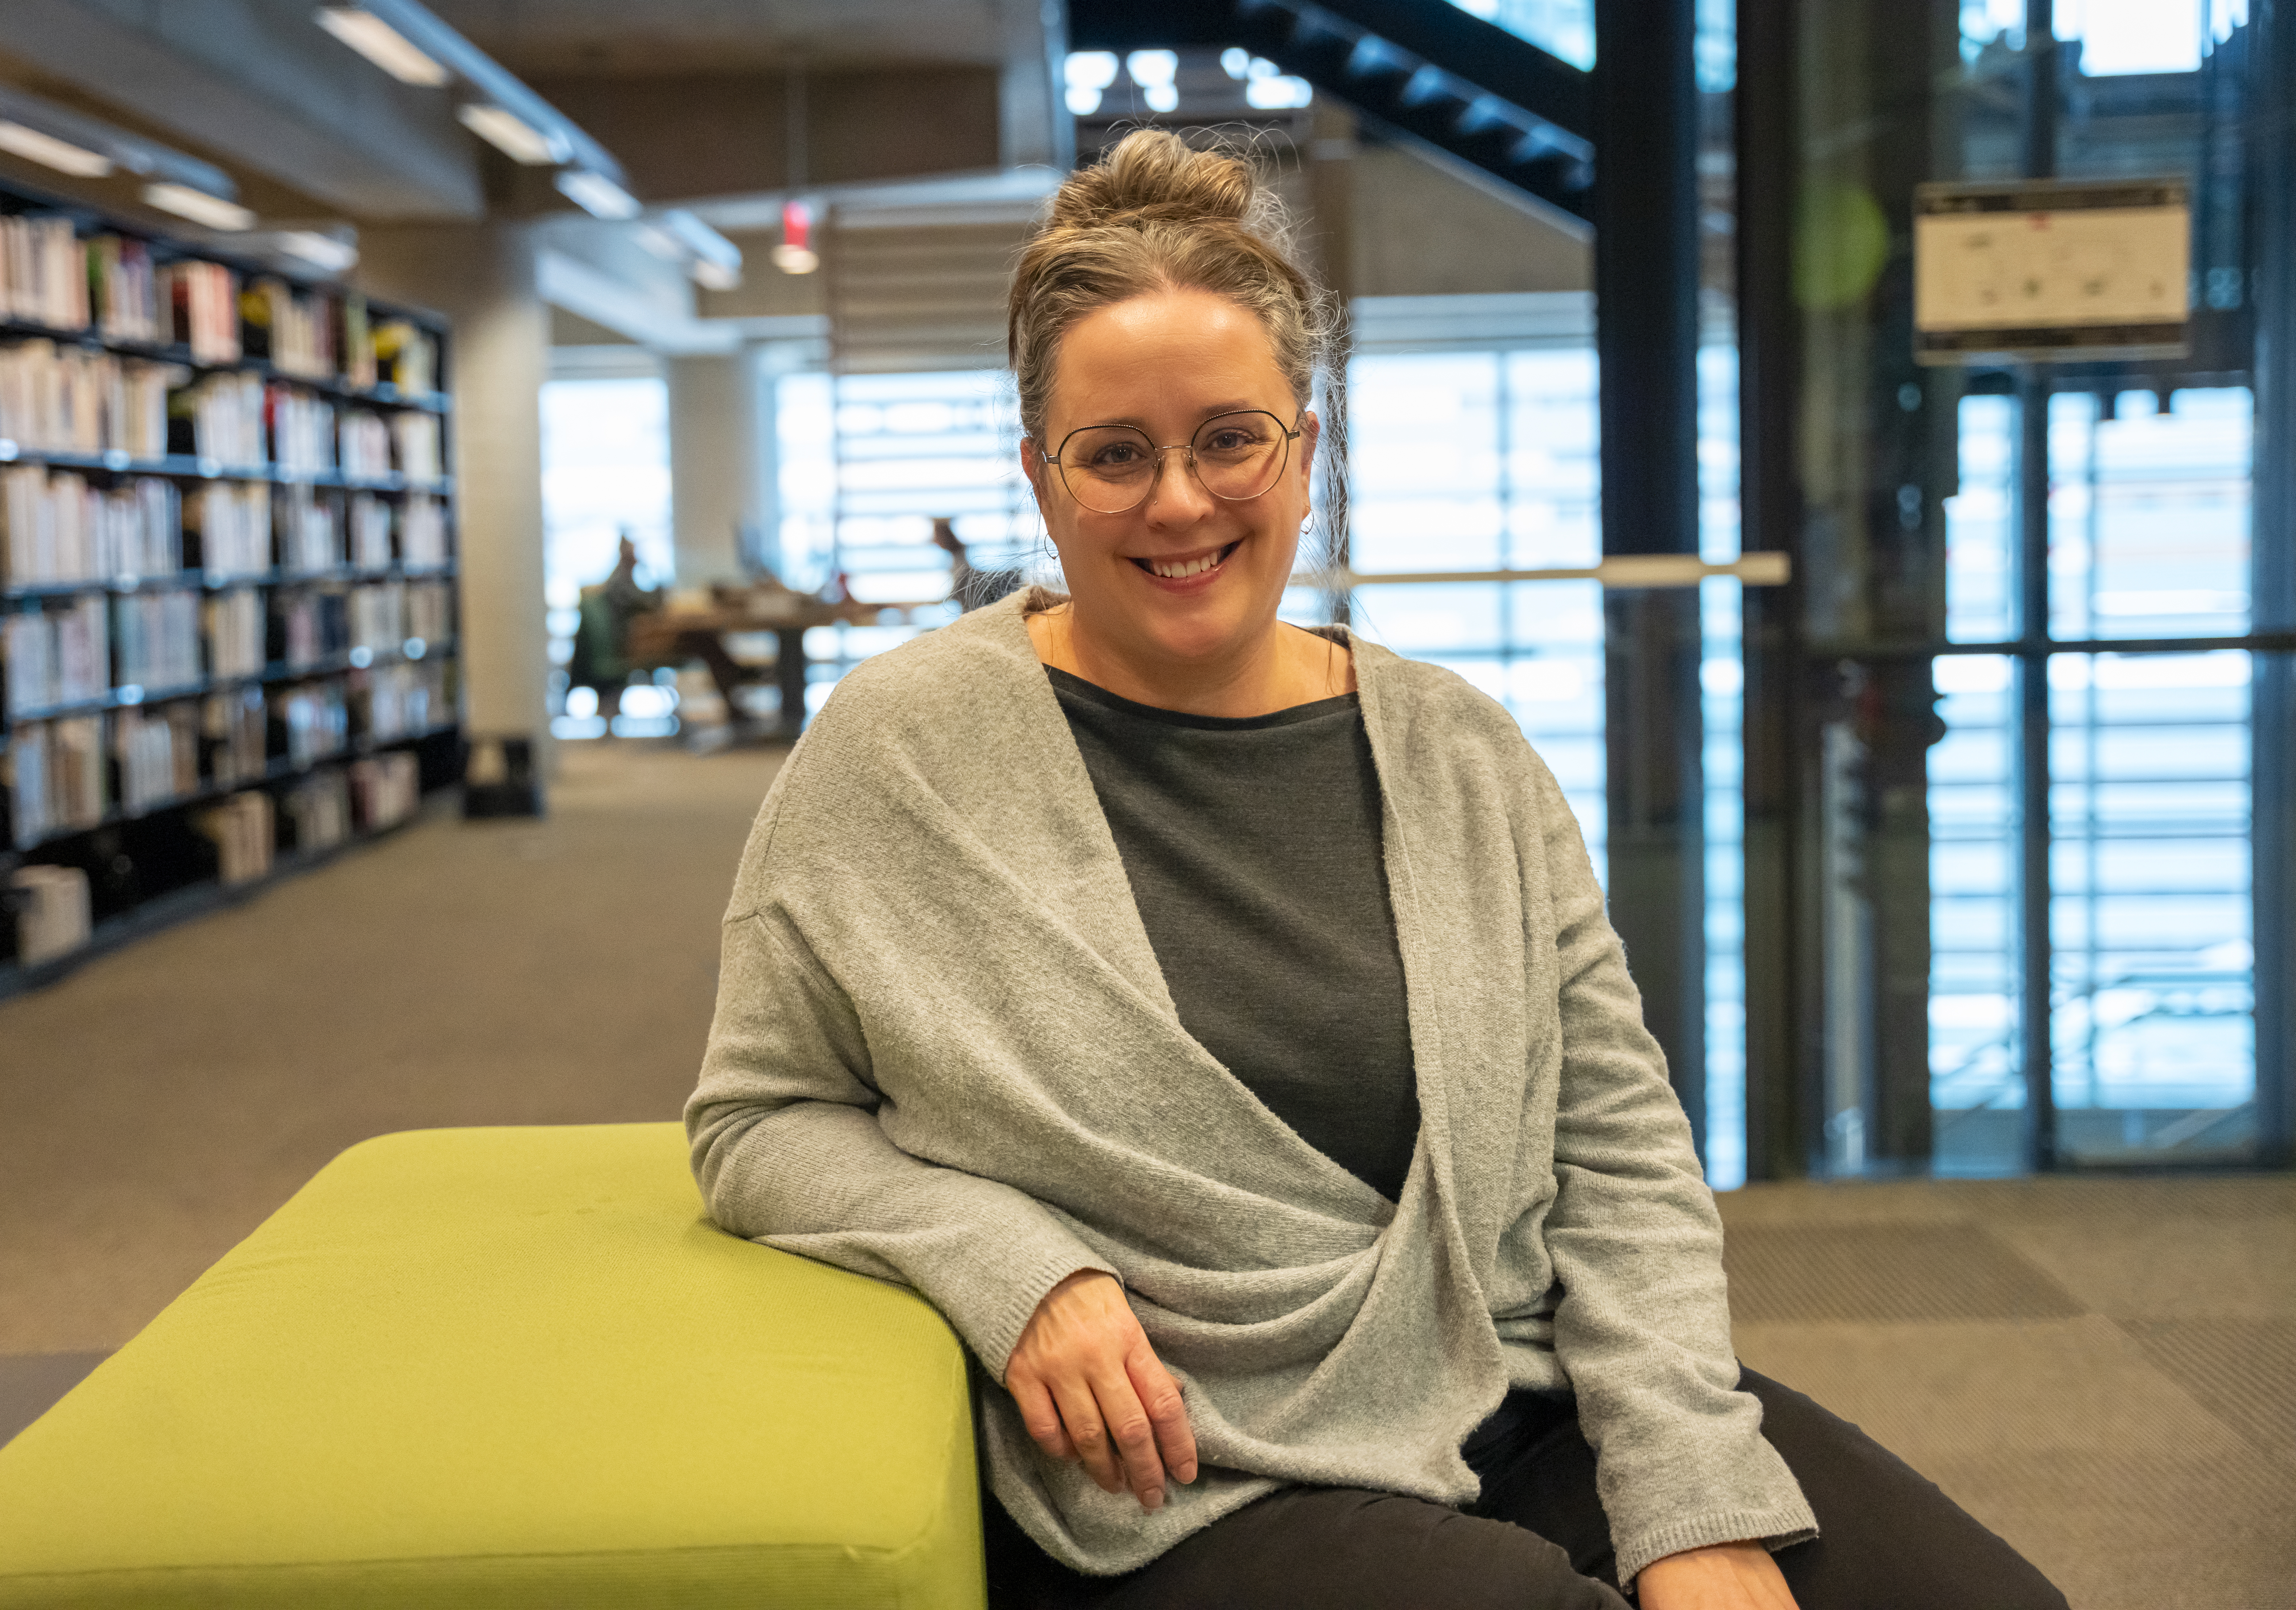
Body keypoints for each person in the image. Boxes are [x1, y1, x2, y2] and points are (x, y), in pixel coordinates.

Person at [685, 130, 2066, 1610]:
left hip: (1515, 1375)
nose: (1176, 501)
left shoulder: (1458, 750)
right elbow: (761, 1116)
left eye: (1227, 437)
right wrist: (1016, 1269)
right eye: (1112, 453)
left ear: (1303, 447)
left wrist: (1684, 1490)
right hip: (1192, 1467)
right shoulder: (899, 748)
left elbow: (1611, 1146)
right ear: (1039, 471)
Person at [569, 531, 659, 726]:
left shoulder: (624, 577)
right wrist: (649, 569)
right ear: (625, 553)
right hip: (622, 645)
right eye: (634, 552)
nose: (636, 557)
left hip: (622, 642)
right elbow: (647, 604)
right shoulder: (620, 581)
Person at [933, 516, 1025, 611]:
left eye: (937, 537)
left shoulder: (961, 556)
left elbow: (964, 582)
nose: (935, 541)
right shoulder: (955, 558)